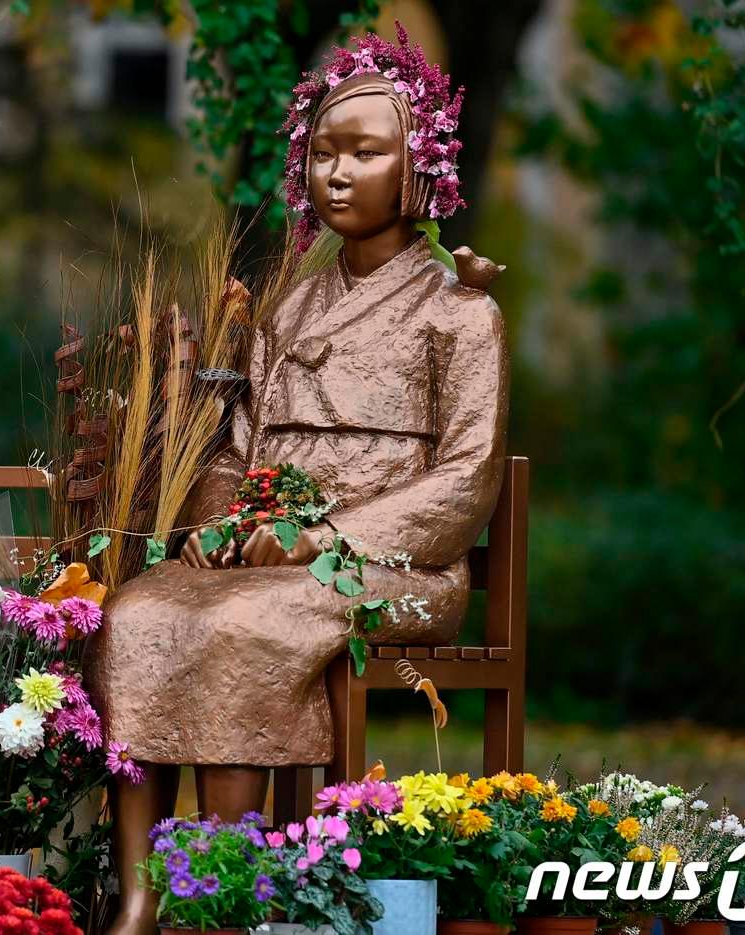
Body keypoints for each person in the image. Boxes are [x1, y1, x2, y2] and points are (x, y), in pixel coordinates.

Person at [85, 26, 510, 935]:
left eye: (366, 152)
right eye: (323, 152)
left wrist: (320, 536)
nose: (338, 173)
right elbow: (238, 446)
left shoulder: (459, 310)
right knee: (138, 615)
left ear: (420, 165)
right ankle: (140, 896)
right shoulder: (289, 303)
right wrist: (217, 519)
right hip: (268, 553)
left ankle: (229, 894)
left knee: (243, 622)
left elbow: (467, 477)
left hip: (398, 570)